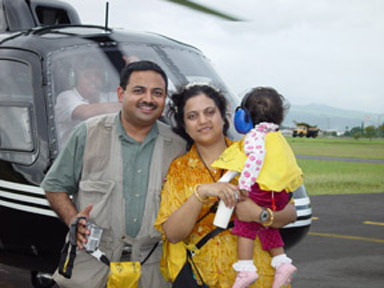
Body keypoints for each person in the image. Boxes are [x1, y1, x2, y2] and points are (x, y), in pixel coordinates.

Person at [41, 60, 186, 288]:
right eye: (139, 90)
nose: (148, 99)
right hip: (91, 261)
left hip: (151, 267)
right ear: (121, 93)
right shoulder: (88, 133)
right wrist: (72, 219)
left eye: (156, 93)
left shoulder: (178, 147)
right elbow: (54, 185)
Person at [154, 84, 298, 288]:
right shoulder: (180, 169)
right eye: (192, 116)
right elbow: (173, 233)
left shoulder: (257, 155)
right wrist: (201, 193)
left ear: (225, 115)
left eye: (210, 112)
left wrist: (260, 215)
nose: (203, 121)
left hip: (261, 277)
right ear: (184, 125)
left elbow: (290, 211)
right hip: (207, 278)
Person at [211, 87, 303, 288]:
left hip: (262, 189)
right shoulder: (277, 137)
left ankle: (245, 269)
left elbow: (255, 159)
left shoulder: (255, 137)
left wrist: (244, 185)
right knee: (265, 226)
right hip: (279, 193)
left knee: (246, 226)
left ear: (243, 117)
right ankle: (282, 262)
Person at [54, 55, 121, 146]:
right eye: (87, 75)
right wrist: (128, 105)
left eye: (97, 75)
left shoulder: (111, 97)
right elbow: (84, 113)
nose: (93, 79)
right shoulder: (66, 97)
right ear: (76, 79)